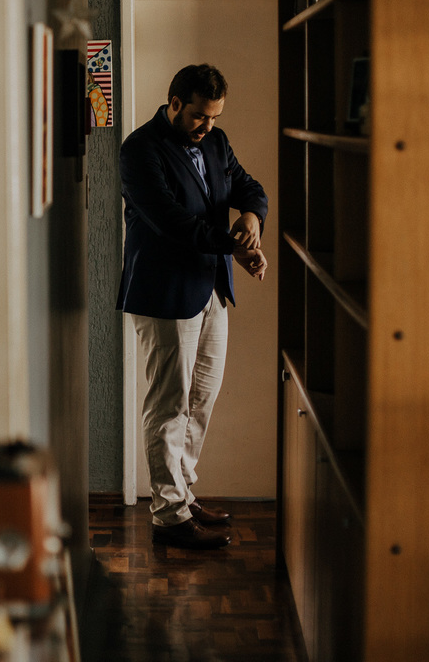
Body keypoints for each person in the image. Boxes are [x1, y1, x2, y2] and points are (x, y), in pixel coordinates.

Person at [116, 63, 268, 550]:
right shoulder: (139, 150)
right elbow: (174, 223)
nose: (208, 127)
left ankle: (183, 493)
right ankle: (169, 516)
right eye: (200, 116)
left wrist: (251, 221)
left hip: (211, 291)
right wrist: (237, 247)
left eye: (215, 117)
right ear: (175, 104)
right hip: (164, 294)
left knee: (200, 400)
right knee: (168, 405)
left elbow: (249, 188)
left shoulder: (217, 143)